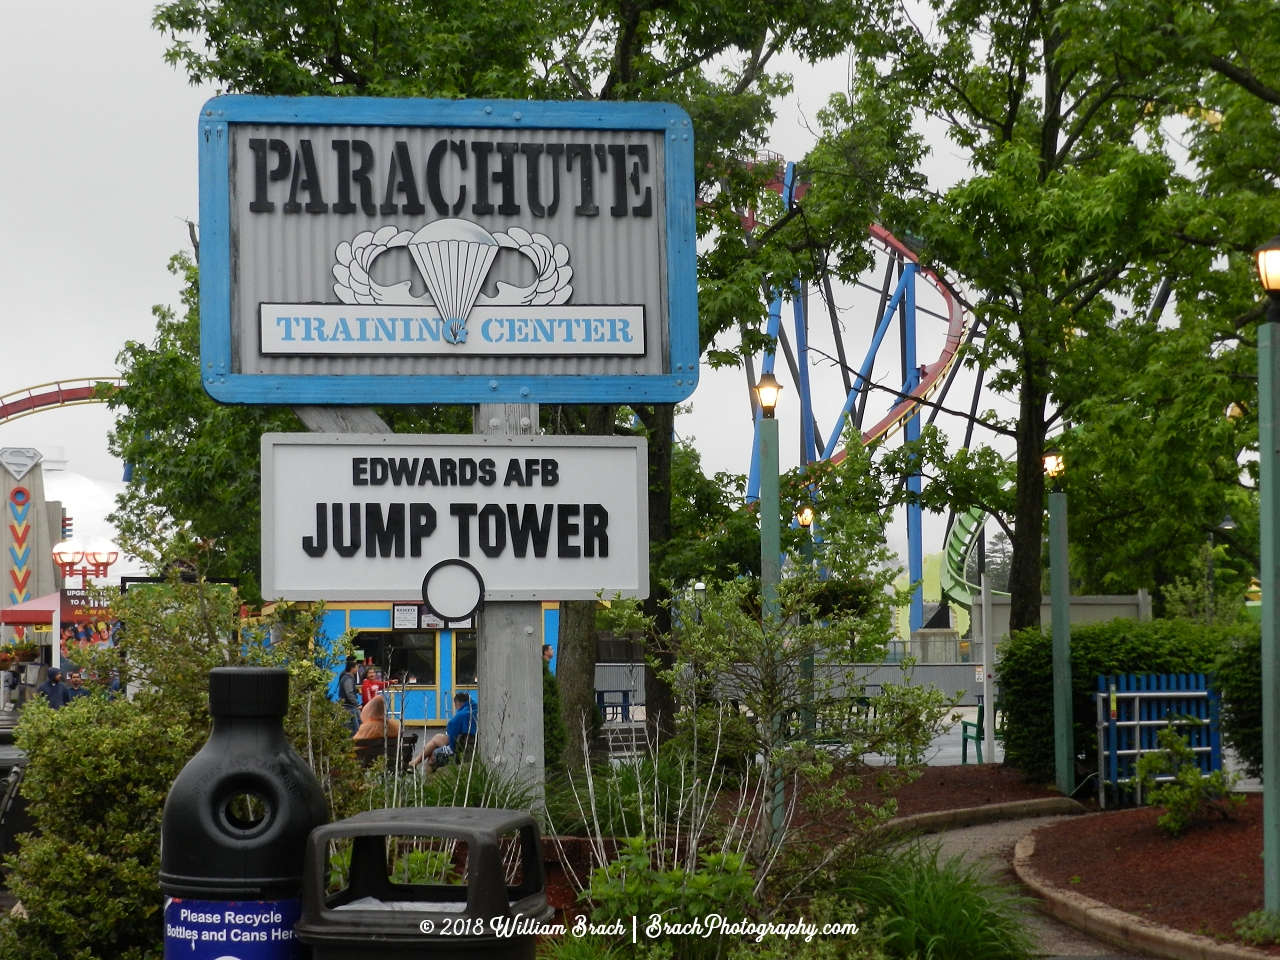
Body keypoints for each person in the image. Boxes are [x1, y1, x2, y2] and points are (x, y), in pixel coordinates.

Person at [410, 693, 476, 772]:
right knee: (437, 737)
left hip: (460, 750)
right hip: (474, 746)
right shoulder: (478, 710)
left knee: (433, 755)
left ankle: (427, 781)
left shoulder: (459, 717)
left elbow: (447, 742)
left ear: (459, 703)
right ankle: (415, 762)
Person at [338, 656, 361, 734]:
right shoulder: (347, 678)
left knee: (358, 724)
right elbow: (349, 693)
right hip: (348, 707)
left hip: (351, 706)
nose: (357, 670)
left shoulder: (349, 678)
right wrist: (357, 704)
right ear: (352, 668)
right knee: (354, 728)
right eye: (356, 668)